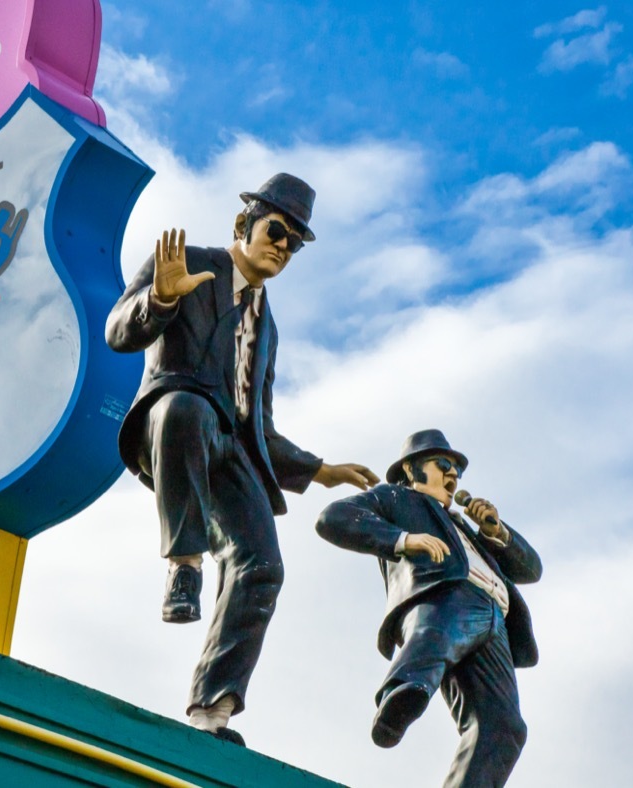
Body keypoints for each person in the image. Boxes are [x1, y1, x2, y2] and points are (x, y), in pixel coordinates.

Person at [105, 173, 378, 744]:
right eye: (276, 230)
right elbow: (117, 331)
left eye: (294, 243)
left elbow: (260, 427)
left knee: (263, 565)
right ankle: (185, 564)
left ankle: (214, 709)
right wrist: (161, 298)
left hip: (231, 447)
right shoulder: (188, 263)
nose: (282, 246)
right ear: (242, 226)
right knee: (185, 406)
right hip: (176, 425)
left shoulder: (267, 327)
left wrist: (319, 469)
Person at [315, 429, 542, 787]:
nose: (452, 475)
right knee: (436, 633)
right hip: (442, 594)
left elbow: (532, 569)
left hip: (495, 616)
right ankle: (403, 692)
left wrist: (497, 532)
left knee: (505, 726)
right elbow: (333, 518)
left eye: (457, 471)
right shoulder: (396, 499)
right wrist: (402, 540)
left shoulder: (466, 528)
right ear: (412, 467)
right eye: (443, 465)